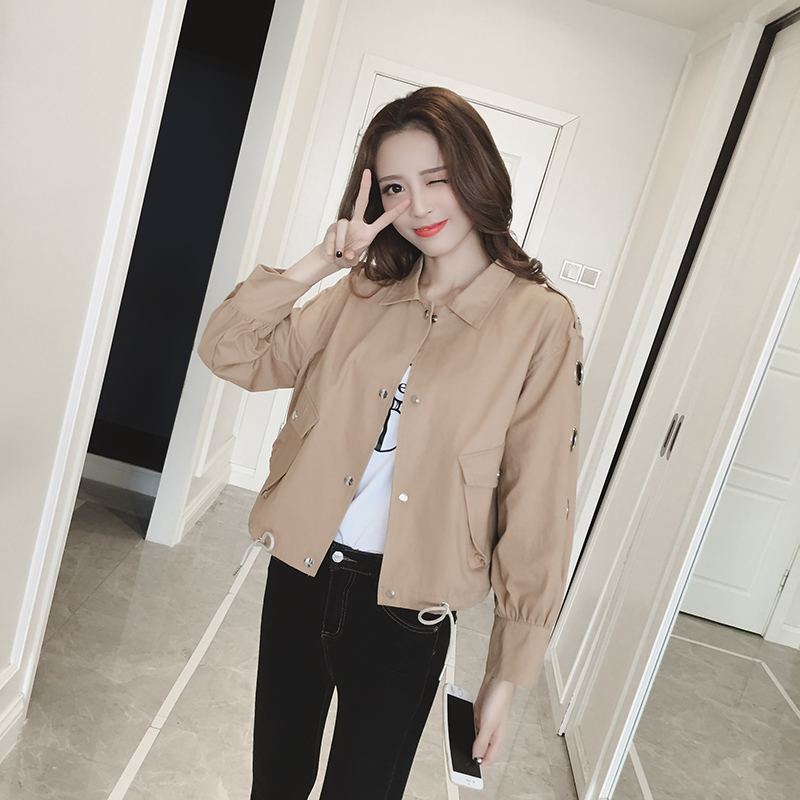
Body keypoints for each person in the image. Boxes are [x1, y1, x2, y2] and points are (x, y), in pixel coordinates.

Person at [198, 86, 582, 800]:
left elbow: (538, 496)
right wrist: (320, 262)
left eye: (438, 179)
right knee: (274, 783)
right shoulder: (363, 294)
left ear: (478, 175)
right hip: (300, 576)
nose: (419, 207)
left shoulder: (539, 321)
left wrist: (507, 671)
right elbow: (230, 353)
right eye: (396, 188)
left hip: (406, 612)